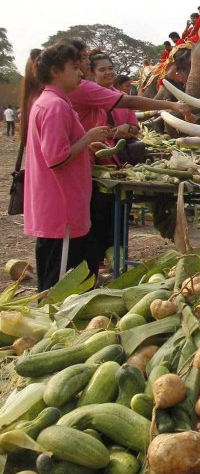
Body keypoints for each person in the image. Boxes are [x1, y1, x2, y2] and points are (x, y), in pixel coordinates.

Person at [62, 40, 193, 277]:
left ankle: (102, 263)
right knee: (93, 219)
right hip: (90, 164)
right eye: (83, 61)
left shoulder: (102, 92)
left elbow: (133, 124)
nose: (108, 72)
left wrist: (124, 130)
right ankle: (87, 270)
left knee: (109, 217)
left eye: (110, 68)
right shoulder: (84, 90)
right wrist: (172, 105)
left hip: (112, 164)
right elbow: (130, 101)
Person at [23, 43, 111, 291]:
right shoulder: (55, 106)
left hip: (59, 208)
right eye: (74, 68)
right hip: (61, 210)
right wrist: (88, 138)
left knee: (59, 281)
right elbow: (56, 157)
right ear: (55, 71)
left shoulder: (50, 102)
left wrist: (84, 145)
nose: (81, 73)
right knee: (58, 289)